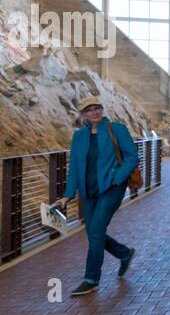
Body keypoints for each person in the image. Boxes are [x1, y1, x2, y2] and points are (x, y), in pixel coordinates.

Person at [53, 96, 138, 297]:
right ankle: (124, 253)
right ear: (83, 114)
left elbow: (132, 156)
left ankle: (91, 279)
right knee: (93, 232)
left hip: (111, 188)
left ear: (102, 109)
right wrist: (67, 195)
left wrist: (117, 178)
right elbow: (74, 166)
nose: (95, 112)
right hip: (88, 191)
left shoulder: (116, 129)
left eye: (97, 108)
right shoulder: (80, 136)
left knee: (97, 230)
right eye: (89, 109)